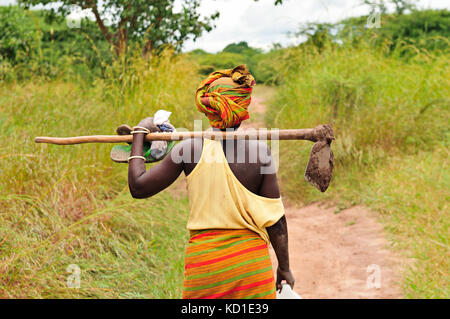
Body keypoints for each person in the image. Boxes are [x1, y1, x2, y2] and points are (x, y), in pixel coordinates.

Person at [127, 65, 294, 299]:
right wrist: (284, 267)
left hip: (205, 269)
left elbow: (139, 187)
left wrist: (139, 134)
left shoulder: (189, 149)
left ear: (207, 108)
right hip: (251, 267)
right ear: (243, 107)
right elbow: (276, 222)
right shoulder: (260, 153)